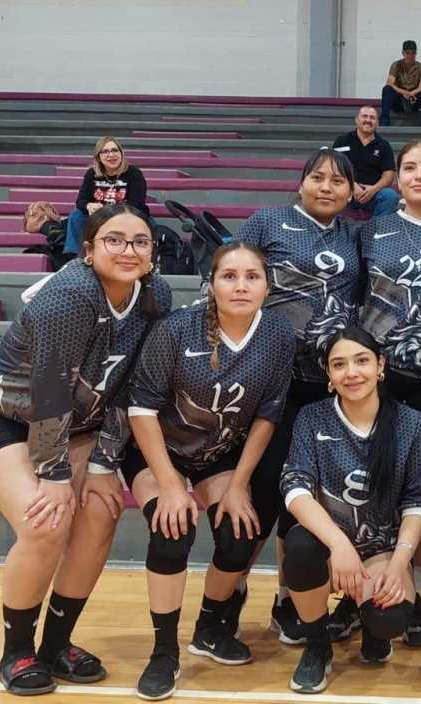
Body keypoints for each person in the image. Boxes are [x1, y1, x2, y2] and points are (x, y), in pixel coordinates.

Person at [0, 204, 171, 696]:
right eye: (114, 240)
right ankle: (17, 652)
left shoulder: (155, 295)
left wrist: (102, 464)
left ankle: (57, 645)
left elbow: (136, 385)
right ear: (88, 250)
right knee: (44, 522)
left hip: (79, 424)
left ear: (153, 252)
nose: (129, 250)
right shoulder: (68, 298)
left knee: (101, 510)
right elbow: (50, 391)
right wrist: (53, 475)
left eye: (140, 241)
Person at [124, 242, 295, 700]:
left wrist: (238, 484)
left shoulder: (278, 335)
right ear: (212, 283)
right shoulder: (176, 330)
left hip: (217, 455)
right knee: (172, 529)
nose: (241, 286)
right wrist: (168, 484)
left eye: (252, 277)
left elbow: (267, 417)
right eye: (229, 276)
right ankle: (164, 652)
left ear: (267, 284)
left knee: (240, 535)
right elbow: (141, 410)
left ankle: (209, 625)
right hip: (158, 450)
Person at [324, 139, 421, 648]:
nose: (420, 174)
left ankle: (418, 595)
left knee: (416, 494)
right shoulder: (371, 231)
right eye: (410, 167)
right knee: (369, 488)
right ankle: (358, 596)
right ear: (397, 178)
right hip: (373, 380)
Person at [233, 148, 363, 644]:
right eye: (318, 178)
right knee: (266, 490)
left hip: (331, 386)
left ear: (352, 192)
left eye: (337, 181)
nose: (327, 187)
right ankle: (231, 593)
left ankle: (289, 600)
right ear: (302, 181)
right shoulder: (267, 221)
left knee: (304, 498)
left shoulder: (354, 235)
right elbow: (225, 283)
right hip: (272, 380)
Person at [279, 327, 421, 693]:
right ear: (328, 375)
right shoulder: (312, 417)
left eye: (362, 361)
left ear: (380, 365)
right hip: (331, 548)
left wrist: (398, 563)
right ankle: (317, 648)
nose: (352, 373)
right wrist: (339, 545)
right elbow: (295, 487)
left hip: (382, 549)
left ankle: (371, 627)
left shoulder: (410, 424)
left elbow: (418, 501)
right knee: (299, 546)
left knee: (390, 621)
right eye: (339, 364)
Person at [63, 137, 150, 254]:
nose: (111, 155)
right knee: (77, 215)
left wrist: (107, 211)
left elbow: (136, 204)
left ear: (121, 153)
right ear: (99, 157)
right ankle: (75, 256)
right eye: (105, 152)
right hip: (98, 217)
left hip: (127, 215)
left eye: (115, 150)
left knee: (148, 222)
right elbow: (81, 201)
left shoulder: (134, 173)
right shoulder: (91, 174)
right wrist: (89, 206)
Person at [332, 106, 400, 217]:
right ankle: (333, 230)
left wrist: (373, 189)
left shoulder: (384, 145)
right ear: (357, 120)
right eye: (364, 116)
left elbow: (389, 174)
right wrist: (352, 186)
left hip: (373, 194)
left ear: (377, 123)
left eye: (372, 118)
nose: (368, 120)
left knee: (391, 196)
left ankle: (376, 230)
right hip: (345, 191)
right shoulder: (342, 141)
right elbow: (333, 167)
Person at [381, 40, 421, 127]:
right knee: (387, 89)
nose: (410, 56)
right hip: (400, 98)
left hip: (414, 98)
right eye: (408, 53)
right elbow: (390, 83)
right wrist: (404, 92)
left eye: (413, 53)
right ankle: (384, 121)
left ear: (416, 54)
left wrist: (412, 93)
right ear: (403, 53)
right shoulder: (396, 65)